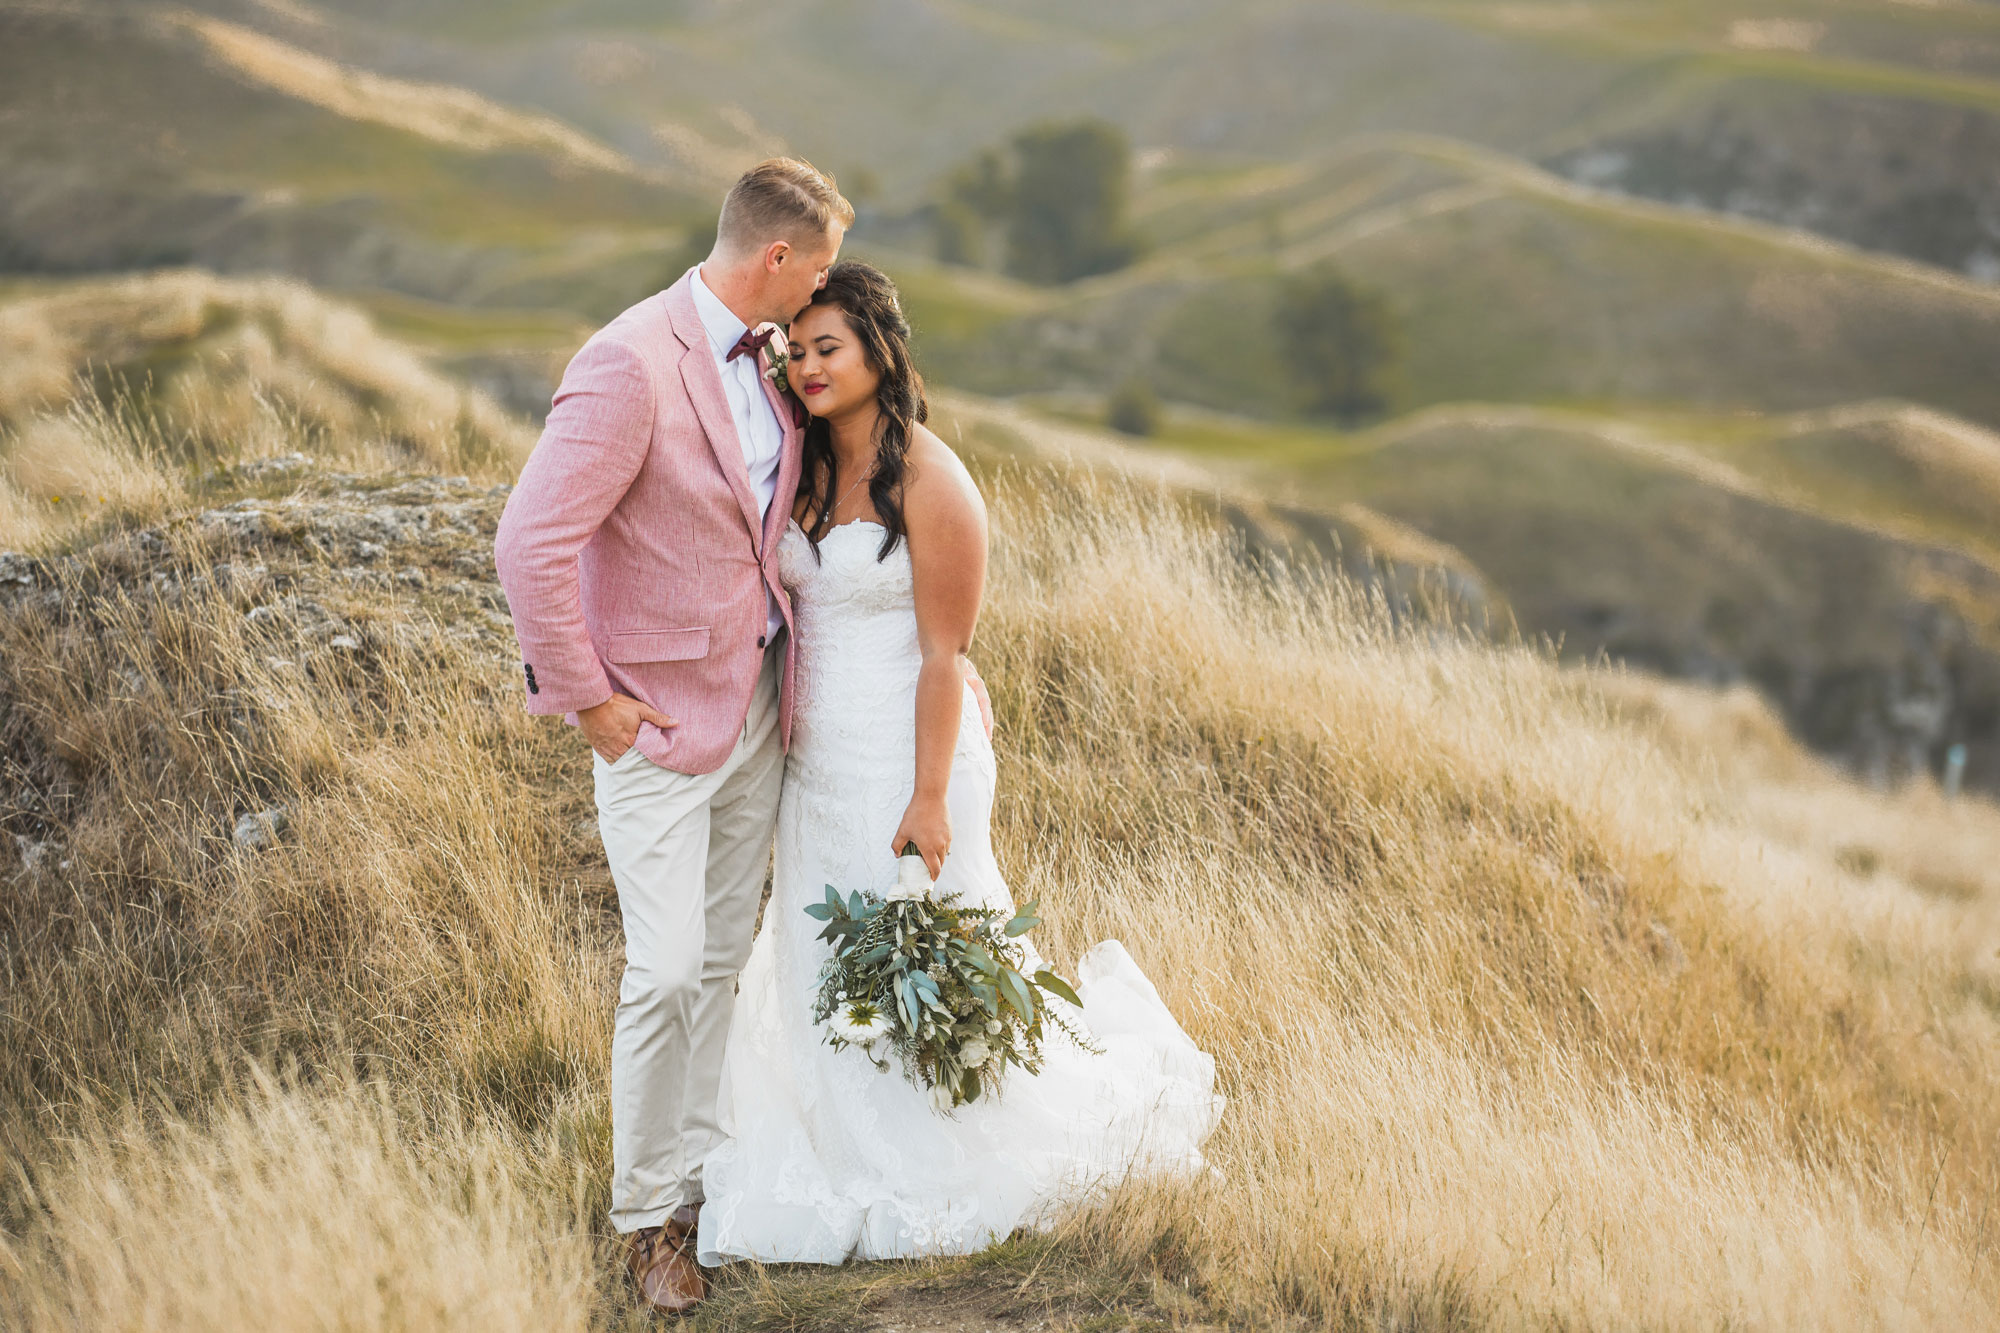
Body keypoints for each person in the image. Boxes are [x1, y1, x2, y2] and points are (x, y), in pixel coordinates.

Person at [695, 261, 1222, 1267]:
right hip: (817, 765)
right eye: (794, 350)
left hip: (912, 754)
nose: (806, 366)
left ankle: (955, 1144)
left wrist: (929, 797)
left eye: (827, 348)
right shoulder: (799, 466)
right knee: (821, 960)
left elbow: (946, 655)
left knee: (923, 957)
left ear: (880, 354)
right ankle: (843, 1143)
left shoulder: (933, 483)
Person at [494, 158, 855, 1315]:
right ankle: (645, 1218)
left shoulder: (771, 362)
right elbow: (529, 542)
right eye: (823, 271)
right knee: (659, 975)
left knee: (714, 961)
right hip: (647, 725)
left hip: (755, 701)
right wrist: (589, 699)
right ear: (778, 261)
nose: (825, 294)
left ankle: (700, 1192)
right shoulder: (628, 361)